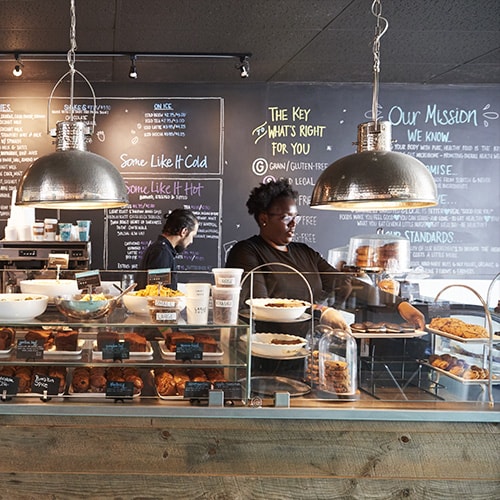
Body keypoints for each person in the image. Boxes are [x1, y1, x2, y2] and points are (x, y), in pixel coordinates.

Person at [225, 179, 425, 330]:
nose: (293, 224)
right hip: (264, 354)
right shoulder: (246, 252)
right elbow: (261, 305)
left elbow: (345, 284)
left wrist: (399, 304)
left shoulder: (304, 253)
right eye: (287, 218)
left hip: (307, 351)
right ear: (263, 218)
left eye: (296, 217)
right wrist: (321, 312)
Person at [137, 208, 199, 290]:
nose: (191, 241)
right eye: (192, 236)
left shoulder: (161, 249)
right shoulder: (162, 252)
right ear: (184, 231)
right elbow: (157, 292)